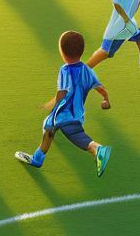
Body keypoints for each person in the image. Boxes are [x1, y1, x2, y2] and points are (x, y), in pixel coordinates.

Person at [15, 29, 113, 177]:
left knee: (72, 136)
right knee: (50, 129)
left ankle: (98, 149)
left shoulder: (65, 70)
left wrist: (51, 104)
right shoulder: (88, 71)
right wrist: (106, 99)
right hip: (76, 114)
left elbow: (63, 91)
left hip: (63, 113)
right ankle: (37, 159)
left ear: (63, 53)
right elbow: (100, 88)